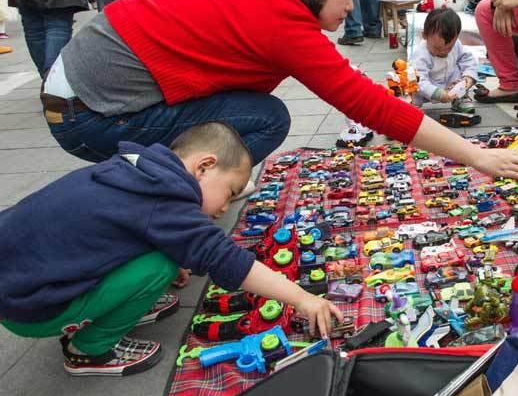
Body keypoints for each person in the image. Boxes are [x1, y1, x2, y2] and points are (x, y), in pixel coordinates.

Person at [39, 0, 518, 182]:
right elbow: (371, 105)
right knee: (266, 119)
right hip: (87, 115)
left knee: (252, 110)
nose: (351, 5)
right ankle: (167, 206)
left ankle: (163, 185)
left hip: (75, 89)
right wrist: (479, 158)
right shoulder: (281, 21)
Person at [0, 122, 343, 376]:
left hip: (17, 272)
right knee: (161, 266)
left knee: (166, 253)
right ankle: (89, 351)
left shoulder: (135, 171)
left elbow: (119, 231)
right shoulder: (163, 204)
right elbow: (224, 258)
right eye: (230, 191)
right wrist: (302, 298)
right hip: (31, 305)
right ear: (204, 166)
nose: (225, 208)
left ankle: (120, 302)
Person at [410, 9, 477, 113]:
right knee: (413, 86)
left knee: (462, 78)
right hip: (428, 87)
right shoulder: (421, 54)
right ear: (424, 36)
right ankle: (413, 107)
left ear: (456, 38)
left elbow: (468, 60)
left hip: (450, 83)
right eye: (437, 48)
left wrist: (469, 76)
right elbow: (419, 80)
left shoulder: (457, 45)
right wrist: (437, 94)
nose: (443, 52)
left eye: (449, 48)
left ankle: (459, 98)